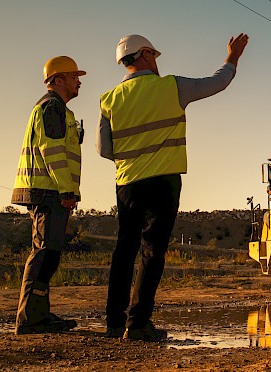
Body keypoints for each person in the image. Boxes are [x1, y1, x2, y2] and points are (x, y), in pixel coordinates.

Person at [99, 33, 248, 341]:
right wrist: (232, 57)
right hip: (163, 181)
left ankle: (114, 323)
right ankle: (137, 324)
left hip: (127, 183)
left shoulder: (108, 99)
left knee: (124, 250)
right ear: (144, 55)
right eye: (154, 55)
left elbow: (104, 149)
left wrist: (133, 157)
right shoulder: (171, 86)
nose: (156, 61)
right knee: (152, 251)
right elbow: (217, 82)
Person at [12, 56, 84, 335]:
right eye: (74, 77)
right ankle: (30, 318)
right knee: (44, 252)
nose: (79, 82)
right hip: (49, 191)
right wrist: (67, 190)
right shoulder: (52, 107)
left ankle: (38, 314)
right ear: (58, 79)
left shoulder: (56, 108)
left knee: (49, 252)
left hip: (49, 189)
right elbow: (51, 151)